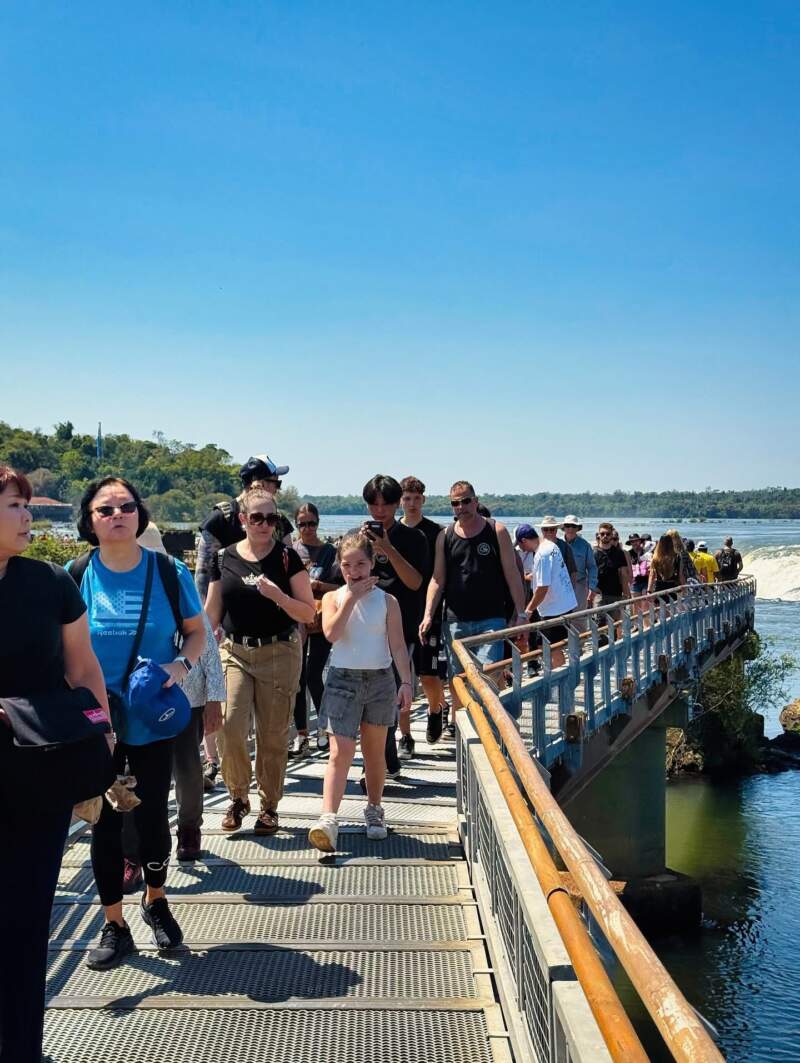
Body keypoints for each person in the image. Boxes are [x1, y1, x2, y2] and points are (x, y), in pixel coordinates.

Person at [69, 476, 206, 971]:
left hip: (152, 716)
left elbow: (196, 635)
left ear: (140, 515)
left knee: (150, 818)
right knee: (102, 824)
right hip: (94, 723)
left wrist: (179, 667)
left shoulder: (169, 572)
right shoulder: (77, 573)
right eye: (105, 509)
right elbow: (61, 647)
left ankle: (156, 899)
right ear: (89, 520)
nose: (117, 515)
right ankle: (114, 924)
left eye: (127, 506)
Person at [0, 465, 109, 1062]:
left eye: (26, 505)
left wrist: (103, 738)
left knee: (24, 920)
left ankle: (22, 1048)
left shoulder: (49, 582)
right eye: (15, 505)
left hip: (36, 773)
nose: (27, 516)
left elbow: (83, 669)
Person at [205, 485, 315, 834]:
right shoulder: (223, 558)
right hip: (235, 651)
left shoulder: (287, 558)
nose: (265, 525)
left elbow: (308, 612)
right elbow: (211, 613)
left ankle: (269, 806)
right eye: (257, 518)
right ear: (243, 520)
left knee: (271, 733)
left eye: (272, 519)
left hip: (279, 651)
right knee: (230, 724)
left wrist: (278, 596)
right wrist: (190, 648)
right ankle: (238, 797)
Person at [308, 531, 413, 853]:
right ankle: (329, 817)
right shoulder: (332, 598)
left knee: (374, 751)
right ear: (340, 567)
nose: (355, 571)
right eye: (348, 565)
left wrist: (406, 682)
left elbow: (397, 644)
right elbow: (331, 634)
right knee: (340, 752)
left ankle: (374, 809)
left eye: (361, 564)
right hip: (343, 680)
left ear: (372, 564)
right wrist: (351, 597)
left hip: (380, 680)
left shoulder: (388, 601)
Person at [421, 481, 525, 708]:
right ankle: (462, 730)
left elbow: (512, 573)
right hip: (456, 621)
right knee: (458, 680)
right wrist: (428, 614)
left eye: (466, 501)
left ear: (476, 502)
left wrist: (521, 613)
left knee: (488, 677)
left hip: (491, 619)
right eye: (455, 503)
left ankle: (489, 730)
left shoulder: (496, 530)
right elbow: (437, 579)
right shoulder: (445, 536)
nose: (461, 507)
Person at [361, 475, 429, 768]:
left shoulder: (414, 537)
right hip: (365, 627)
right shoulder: (358, 538)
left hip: (401, 628)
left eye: (386, 504)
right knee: (371, 698)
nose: (380, 511)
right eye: (373, 504)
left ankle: (381, 757)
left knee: (390, 693)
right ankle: (382, 757)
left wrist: (387, 548)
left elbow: (415, 582)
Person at [195, 455, 293, 601]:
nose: (277, 490)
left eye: (270, 520)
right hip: (228, 617)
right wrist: (208, 622)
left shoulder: (279, 521)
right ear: (260, 484)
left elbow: (291, 571)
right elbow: (203, 577)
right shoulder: (220, 520)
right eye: (276, 484)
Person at [400, 476, 448, 745]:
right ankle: (405, 735)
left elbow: (440, 575)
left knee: (427, 675)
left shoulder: (436, 532)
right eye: (407, 498)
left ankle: (435, 710)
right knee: (400, 677)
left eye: (417, 498)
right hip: (400, 613)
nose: (412, 504)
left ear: (424, 500)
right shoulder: (393, 532)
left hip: (429, 612)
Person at [291, 503, 341, 757]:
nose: (308, 529)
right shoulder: (290, 551)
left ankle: (323, 726)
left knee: (313, 675)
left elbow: (342, 587)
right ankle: (301, 734)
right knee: (297, 679)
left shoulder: (330, 552)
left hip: (322, 620)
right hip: (296, 620)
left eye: (312, 523)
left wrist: (318, 584)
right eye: (302, 524)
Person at [525, 516, 577, 668]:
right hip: (550, 603)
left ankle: (559, 682)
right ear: (541, 531)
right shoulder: (547, 547)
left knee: (554, 647)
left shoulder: (556, 548)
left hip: (556, 605)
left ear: (557, 530)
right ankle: (553, 674)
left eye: (552, 529)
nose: (549, 532)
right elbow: (549, 574)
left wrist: (529, 609)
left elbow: (571, 572)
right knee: (544, 645)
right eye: (546, 529)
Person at [561, 515, 598, 619]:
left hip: (579, 585)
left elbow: (592, 567)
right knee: (561, 617)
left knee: (579, 617)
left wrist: (592, 586)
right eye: (568, 526)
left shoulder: (585, 545)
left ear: (578, 528)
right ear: (564, 528)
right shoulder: (557, 544)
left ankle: (581, 635)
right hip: (560, 585)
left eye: (573, 526)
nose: (570, 529)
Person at [592, 522, 630, 614]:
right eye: (602, 534)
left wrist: (626, 594)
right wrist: (591, 591)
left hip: (616, 594)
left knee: (615, 624)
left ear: (611, 535)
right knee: (600, 625)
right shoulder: (594, 553)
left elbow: (624, 574)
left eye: (608, 534)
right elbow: (589, 573)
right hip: (599, 595)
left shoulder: (618, 553)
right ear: (599, 535)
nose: (605, 536)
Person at [626, 533, 651, 598]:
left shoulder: (646, 551)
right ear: (630, 543)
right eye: (632, 541)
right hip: (634, 582)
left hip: (646, 581)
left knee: (645, 604)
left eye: (636, 541)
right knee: (636, 604)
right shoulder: (628, 553)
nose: (634, 543)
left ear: (640, 541)